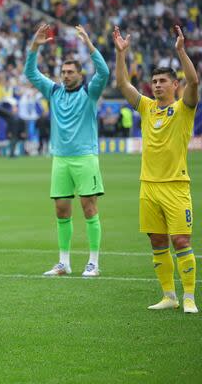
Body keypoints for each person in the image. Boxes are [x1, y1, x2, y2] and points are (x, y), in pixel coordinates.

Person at [114, 25, 198, 314]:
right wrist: (121, 54)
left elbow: (195, 82)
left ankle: (189, 296)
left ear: (175, 85)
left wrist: (181, 52)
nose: (157, 85)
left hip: (175, 185)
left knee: (181, 240)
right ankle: (169, 295)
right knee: (158, 241)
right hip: (148, 185)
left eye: (163, 81)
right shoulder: (147, 107)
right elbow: (123, 85)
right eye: (154, 81)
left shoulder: (184, 108)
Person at [24, 24, 109, 277]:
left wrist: (89, 44)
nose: (65, 75)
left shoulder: (89, 91)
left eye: (70, 72)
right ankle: (64, 262)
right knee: (61, 209)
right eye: (63, 71)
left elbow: (103, 72)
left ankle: (93, 262)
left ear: (80, 74)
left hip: (85, 158)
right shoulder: (53, 91)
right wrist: (35, 45)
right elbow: (30, 72)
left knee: (89, 208)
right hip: (60, 159)